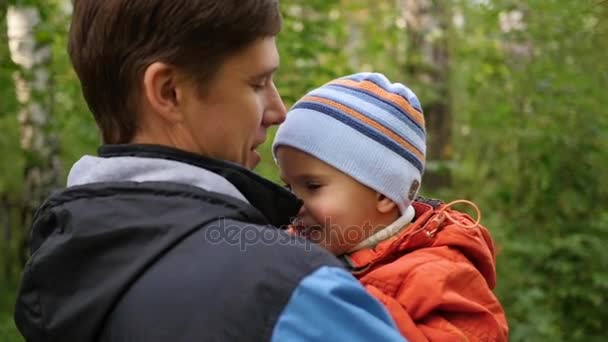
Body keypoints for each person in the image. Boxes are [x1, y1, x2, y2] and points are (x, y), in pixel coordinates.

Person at [13, 2, 407, 341]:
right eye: (257, 83)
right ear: (169, 92)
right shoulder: (294, 293)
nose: (277, 111)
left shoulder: (67, 269)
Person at [273, 72, 509, 341]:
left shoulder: (440, 274)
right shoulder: (286, 252)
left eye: (312, 186)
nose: (293, 203)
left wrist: (342, 303)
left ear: (384, 193)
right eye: (289, 187)